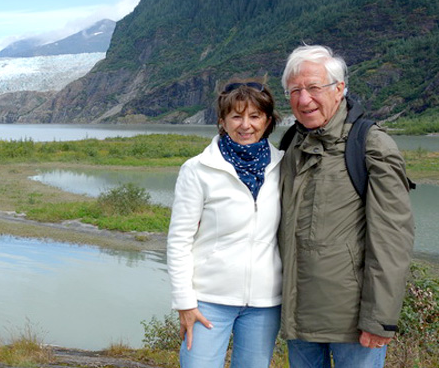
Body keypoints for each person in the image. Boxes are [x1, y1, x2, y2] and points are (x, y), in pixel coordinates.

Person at [278, 44, 415, 367]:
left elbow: (392, 240)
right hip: (299, 317)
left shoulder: (371, 144)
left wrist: (379, 318)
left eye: (314, 87)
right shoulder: (291, 144)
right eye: (295, 90)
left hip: (353, 323)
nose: (304, 99)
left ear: (339, 89)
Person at [167, 79, 283, 367]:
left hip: (264, 304)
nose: (246, 125)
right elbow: (179, 240)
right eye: (236, 116)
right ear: (222, 120)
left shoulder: (284, 165)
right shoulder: (198, 169)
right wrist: (185, 302)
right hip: (208, 301)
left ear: (267, 121)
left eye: (255, 116)